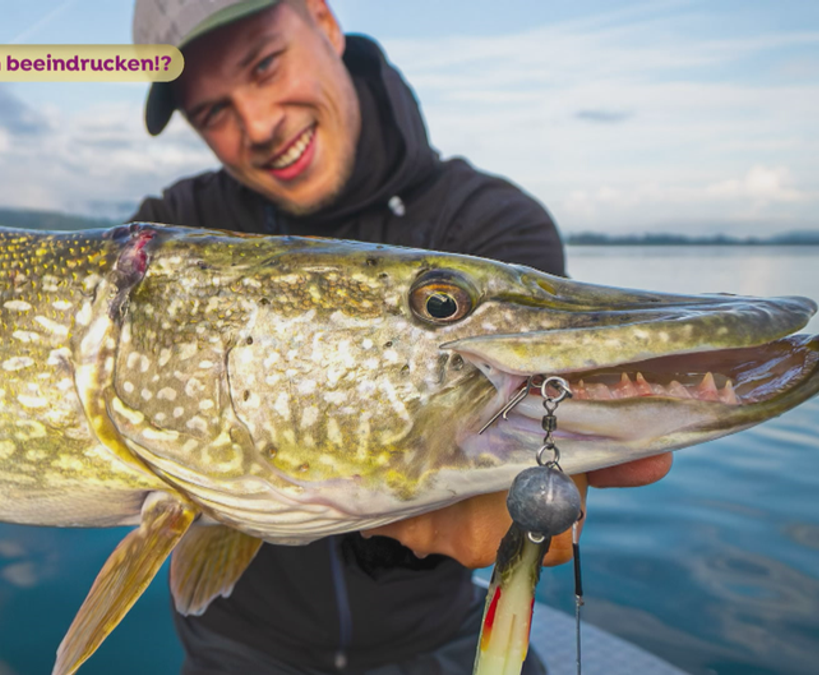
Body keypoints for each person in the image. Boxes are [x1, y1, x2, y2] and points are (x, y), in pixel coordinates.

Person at [128, 1, 674, 672]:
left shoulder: (489, 223)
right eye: (213, 111)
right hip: (235, 647)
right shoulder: (163, 239)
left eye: (265, 64)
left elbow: (535, 447)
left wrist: (526, 505)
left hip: (433, 639)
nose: (260, 124)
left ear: (323, 22)